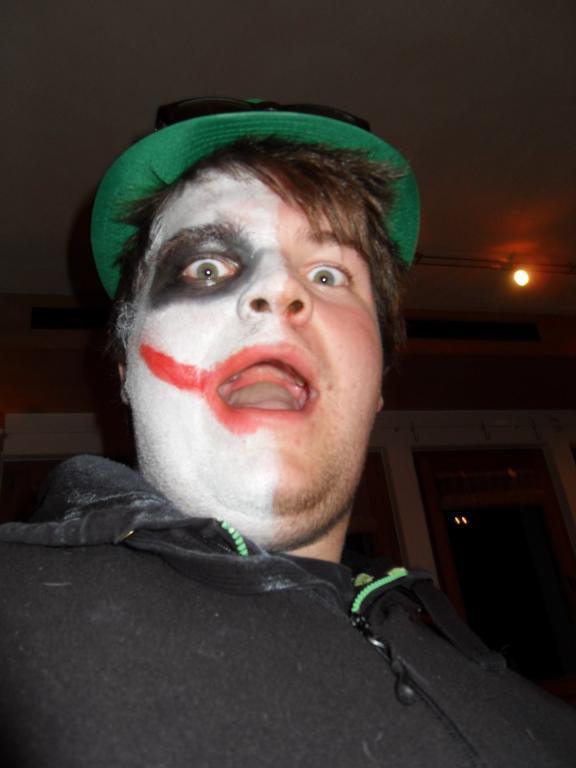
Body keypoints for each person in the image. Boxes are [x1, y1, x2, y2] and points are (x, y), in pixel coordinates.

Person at [0, 98, 573, 767]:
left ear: (378, 380)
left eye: (328, 274)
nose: (278, 291)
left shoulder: (545, 731)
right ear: (125, 367)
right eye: (206, 267)